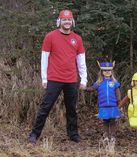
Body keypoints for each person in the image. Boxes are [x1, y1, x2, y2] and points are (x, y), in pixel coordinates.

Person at [28, 10, 87, 144]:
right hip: (54, 78)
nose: (67, 22)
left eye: (69, 20)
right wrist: (44, 78)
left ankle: (73, 134)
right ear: (59, 21)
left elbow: (81, 60)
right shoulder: (50, 36)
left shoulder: (77, 38)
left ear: (72, 22)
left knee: (71, 109)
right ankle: (34, 134)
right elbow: (44, 58)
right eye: (64, 20)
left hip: (71, 79)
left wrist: (84, 79)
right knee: (45, 107)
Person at [86, 61, 121, 142]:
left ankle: (112, 136)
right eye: (105, 71)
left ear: (112, 71)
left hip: (113, 105)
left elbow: (118, 93)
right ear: (102, 72)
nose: (107, 72)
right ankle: (105, 136)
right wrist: (85, 88)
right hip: (103, 105)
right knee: (105, 121)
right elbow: (92, 88)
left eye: (109, 70)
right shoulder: (99, 83)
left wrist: (119, 102)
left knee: (112, 121)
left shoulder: (114, 82)